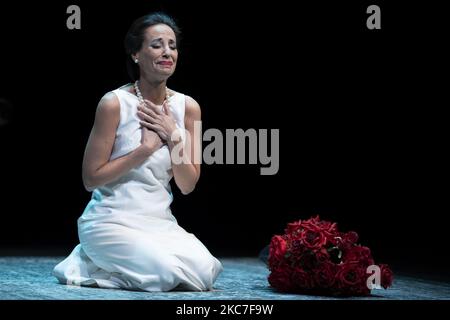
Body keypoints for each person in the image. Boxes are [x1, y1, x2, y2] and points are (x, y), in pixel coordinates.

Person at [53, 12, 223, 292]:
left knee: (206, 271)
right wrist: (144, 150)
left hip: (158, 223)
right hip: (110, 221)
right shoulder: (114, 103)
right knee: (166, 273)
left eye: (172, 45)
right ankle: (88, 261)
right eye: (156, 45)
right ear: (135, 54)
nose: (167, 52)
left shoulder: (187, 108)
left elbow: (188, 184)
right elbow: (90, 179)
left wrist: (174, 136)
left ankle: (100, 264)